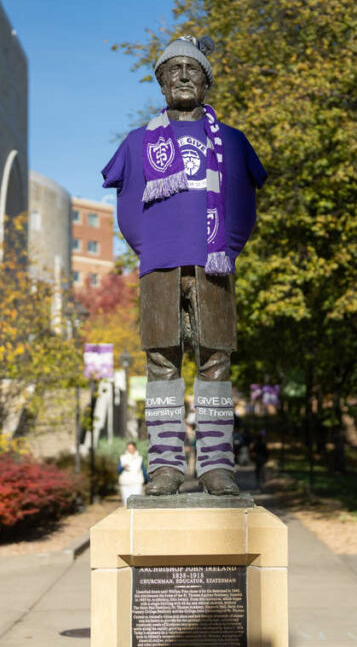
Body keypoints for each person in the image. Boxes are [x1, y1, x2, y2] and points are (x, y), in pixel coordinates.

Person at [102, 35, 267, 497]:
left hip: (214, 264)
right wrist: (153, 248)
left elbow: (245, 206)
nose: (182, 76)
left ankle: (217, 467)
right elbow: (128, 210)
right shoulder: (137, 142)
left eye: (191, 68)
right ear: (160, 83)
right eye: (171, 70)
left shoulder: (232, 141)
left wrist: (227, 249)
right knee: (160, 362)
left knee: (216, 360)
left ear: (206, 80)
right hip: (160, 266)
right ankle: (166, 467)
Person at [117, 441, 146, 506]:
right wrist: (123, 467)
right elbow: (118, 471)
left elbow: (143, 470)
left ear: (135, 448)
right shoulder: (122, 458)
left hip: (137, 482)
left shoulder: (140, 458)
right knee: (126, 502)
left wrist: (148, 480)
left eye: (132, 448)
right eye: (129, 448)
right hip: (125, 483)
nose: (130, 450)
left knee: (136, 502)